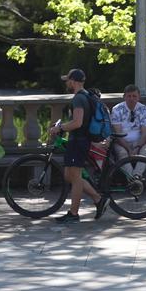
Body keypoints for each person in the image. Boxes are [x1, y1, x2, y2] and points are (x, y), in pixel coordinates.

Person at [48, 69, 109, 223]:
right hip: (79, 141)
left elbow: (77, 122)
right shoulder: (85, 96)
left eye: (68, 80)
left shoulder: (78, 99)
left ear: (73, 81)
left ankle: (73, 214)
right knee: (69, 175)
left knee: (75, 178)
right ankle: (98, 199)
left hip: (79, 141)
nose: (67, 83)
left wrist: (60, 128)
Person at [110, 84, 146, 177]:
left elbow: (145, 133)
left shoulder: (144, 110)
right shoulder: (117, 109)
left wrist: (137, 147)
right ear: (124, 97)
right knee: (122, 153)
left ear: (138, 97)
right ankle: (132, 180)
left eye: (134, 96)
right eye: (129, 96)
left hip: (138, 141)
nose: (131, 99)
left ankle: (137, 176)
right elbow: (118, 133)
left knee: (145, 152)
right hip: (121, 142)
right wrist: (128, 149)